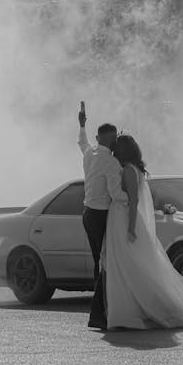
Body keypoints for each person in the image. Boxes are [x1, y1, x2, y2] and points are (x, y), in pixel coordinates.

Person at [102, 134, 183, 330]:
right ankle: (127, 311)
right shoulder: (133, 170)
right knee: (128, 267)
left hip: (125, 221)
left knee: (132, 268)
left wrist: (131, 228)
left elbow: (133, 201)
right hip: (122, 220)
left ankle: (137, 311)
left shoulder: (128, 171)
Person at [77, 104, 127, 330]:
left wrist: (81, 126)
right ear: (114, 140)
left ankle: (101, 311)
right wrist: (137, 197)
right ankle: (98, 313)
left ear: (99, 138)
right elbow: (116, 194)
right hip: (102, 215)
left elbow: (83, 143)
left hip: (88, 214)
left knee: (99, 262)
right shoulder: (111, 162)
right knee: (105, 264)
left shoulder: (91, 153)